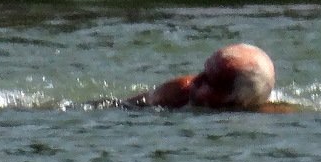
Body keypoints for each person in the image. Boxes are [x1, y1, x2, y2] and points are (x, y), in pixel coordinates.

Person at [122, 43, 292, 112]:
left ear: (236, 101)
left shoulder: (271, 109)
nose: (195, 80)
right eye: (202, 71)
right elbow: (121, 104)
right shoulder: (179, 93)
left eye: (209, 80)